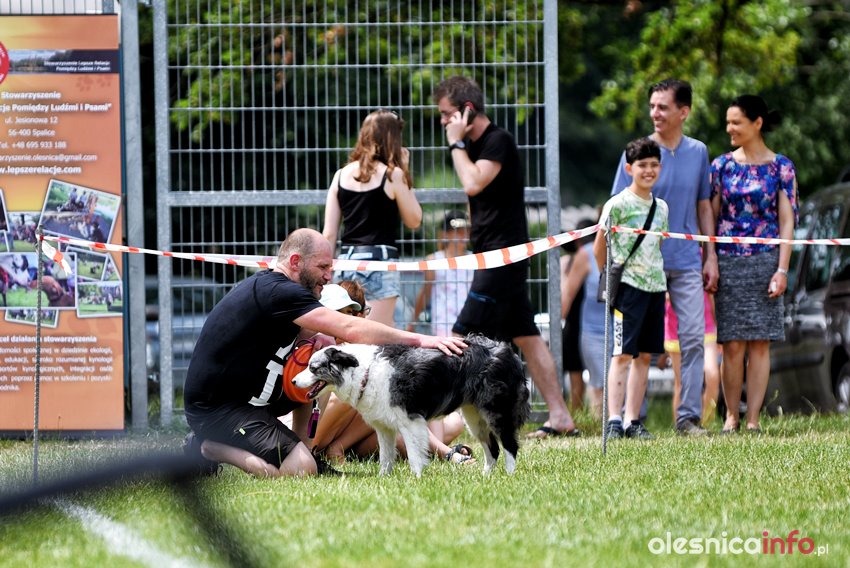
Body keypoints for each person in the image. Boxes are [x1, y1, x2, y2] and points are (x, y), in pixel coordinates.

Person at [182, 228, 466, 478]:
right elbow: (349, 328)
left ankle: (306, 449)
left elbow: (331, 335)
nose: (329, 276)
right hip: (217, 410)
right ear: (295, 262)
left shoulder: (283, 292)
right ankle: (209, 446)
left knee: (316, 367)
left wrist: (316, 339)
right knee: (301, 470)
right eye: (323, 267)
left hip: (253, 400)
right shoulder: (279, 291)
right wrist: (419, 340)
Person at [433, 75, 578, 438]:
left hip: (504, 256)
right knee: (527, 336)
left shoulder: (498, 140)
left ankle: (437, 425)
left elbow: (473, 182)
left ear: (467, 110)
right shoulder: (473, 145)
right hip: (490, 253)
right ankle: (560, 416)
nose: (443, 121)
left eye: (447, 114)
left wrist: (455, 144)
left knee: (458, 336)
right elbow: (474, 196)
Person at [610, 78, 718, 436]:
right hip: (641, 268)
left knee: (693, 339)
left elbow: (704, 205)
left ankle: (688, 417)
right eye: (652, 106)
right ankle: (629, 419)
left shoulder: (699, 152)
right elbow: (615, 211)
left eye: (663, 107)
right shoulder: (638, 153)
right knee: (636, 347)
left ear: (683, 112)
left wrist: (710, 256)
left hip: (686, 261)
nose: (654, 113)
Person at [313, 280, 474, 466]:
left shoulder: (360, 350)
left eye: (352, 313)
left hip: (356, 433)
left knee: (452, 423)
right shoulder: (318, 348)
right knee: (364, 389)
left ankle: (432, 449)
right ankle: (445, 453)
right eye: (341, 314)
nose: (351, 319)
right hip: (318, 433)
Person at [710, 94, 797, 434]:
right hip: (729, 262)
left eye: (736, 122)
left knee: (761, 342)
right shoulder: (721, 166)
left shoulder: (782, 167)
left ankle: (754, 420)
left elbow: (787, 221)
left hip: (766, 262)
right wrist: (710, 258)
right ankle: (731, 417)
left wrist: (782, 269)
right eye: (728, 122)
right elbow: (710, 217)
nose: (729, 128)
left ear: (757, 123)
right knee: (732, 343)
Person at [595, 137, 669, 440]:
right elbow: (600, 247)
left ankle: (633, 420)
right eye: (642, 165)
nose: (649, 171)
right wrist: (610, 277)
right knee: (622, 353)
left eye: (654, 165)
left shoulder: (661, 207)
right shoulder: (617, 204)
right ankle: (614, 419)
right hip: (627, 289)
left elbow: (658, 245)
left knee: (645, 356)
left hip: (655, 287)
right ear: (629, 169)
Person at [323, 109, 422, 327]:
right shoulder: (393, 174)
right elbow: (414, 220)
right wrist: (404, 171)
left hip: (346, 262)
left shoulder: (340, 175)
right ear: (393, 138)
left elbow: (329, 233)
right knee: (376, 334)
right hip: (380, 262)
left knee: (346, 333)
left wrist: (325, 271)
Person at [560, 218, 608, 418]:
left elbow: (565, 298)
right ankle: (579, 415)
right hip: (581, 326)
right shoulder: (574, 260)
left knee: (582, 376)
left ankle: (582, 415)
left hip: (581, 325)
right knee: (582, 376)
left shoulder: (578, 259)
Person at [409, 210, 474, 337]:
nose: (464, 235)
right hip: (443, 325)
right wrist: (413, 322)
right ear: (445, 234)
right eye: (458, 231)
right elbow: (425, 293)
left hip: (470, 325)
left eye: (466, 230)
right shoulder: (433, 260)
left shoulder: (475, 259)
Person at [659, 292, 721, 425]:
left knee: (712, 375)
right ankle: (680, 425)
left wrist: (718, 326)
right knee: (682, 383)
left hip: (705, 323)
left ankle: (706, 423)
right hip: (675, 326)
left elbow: (711, 292)